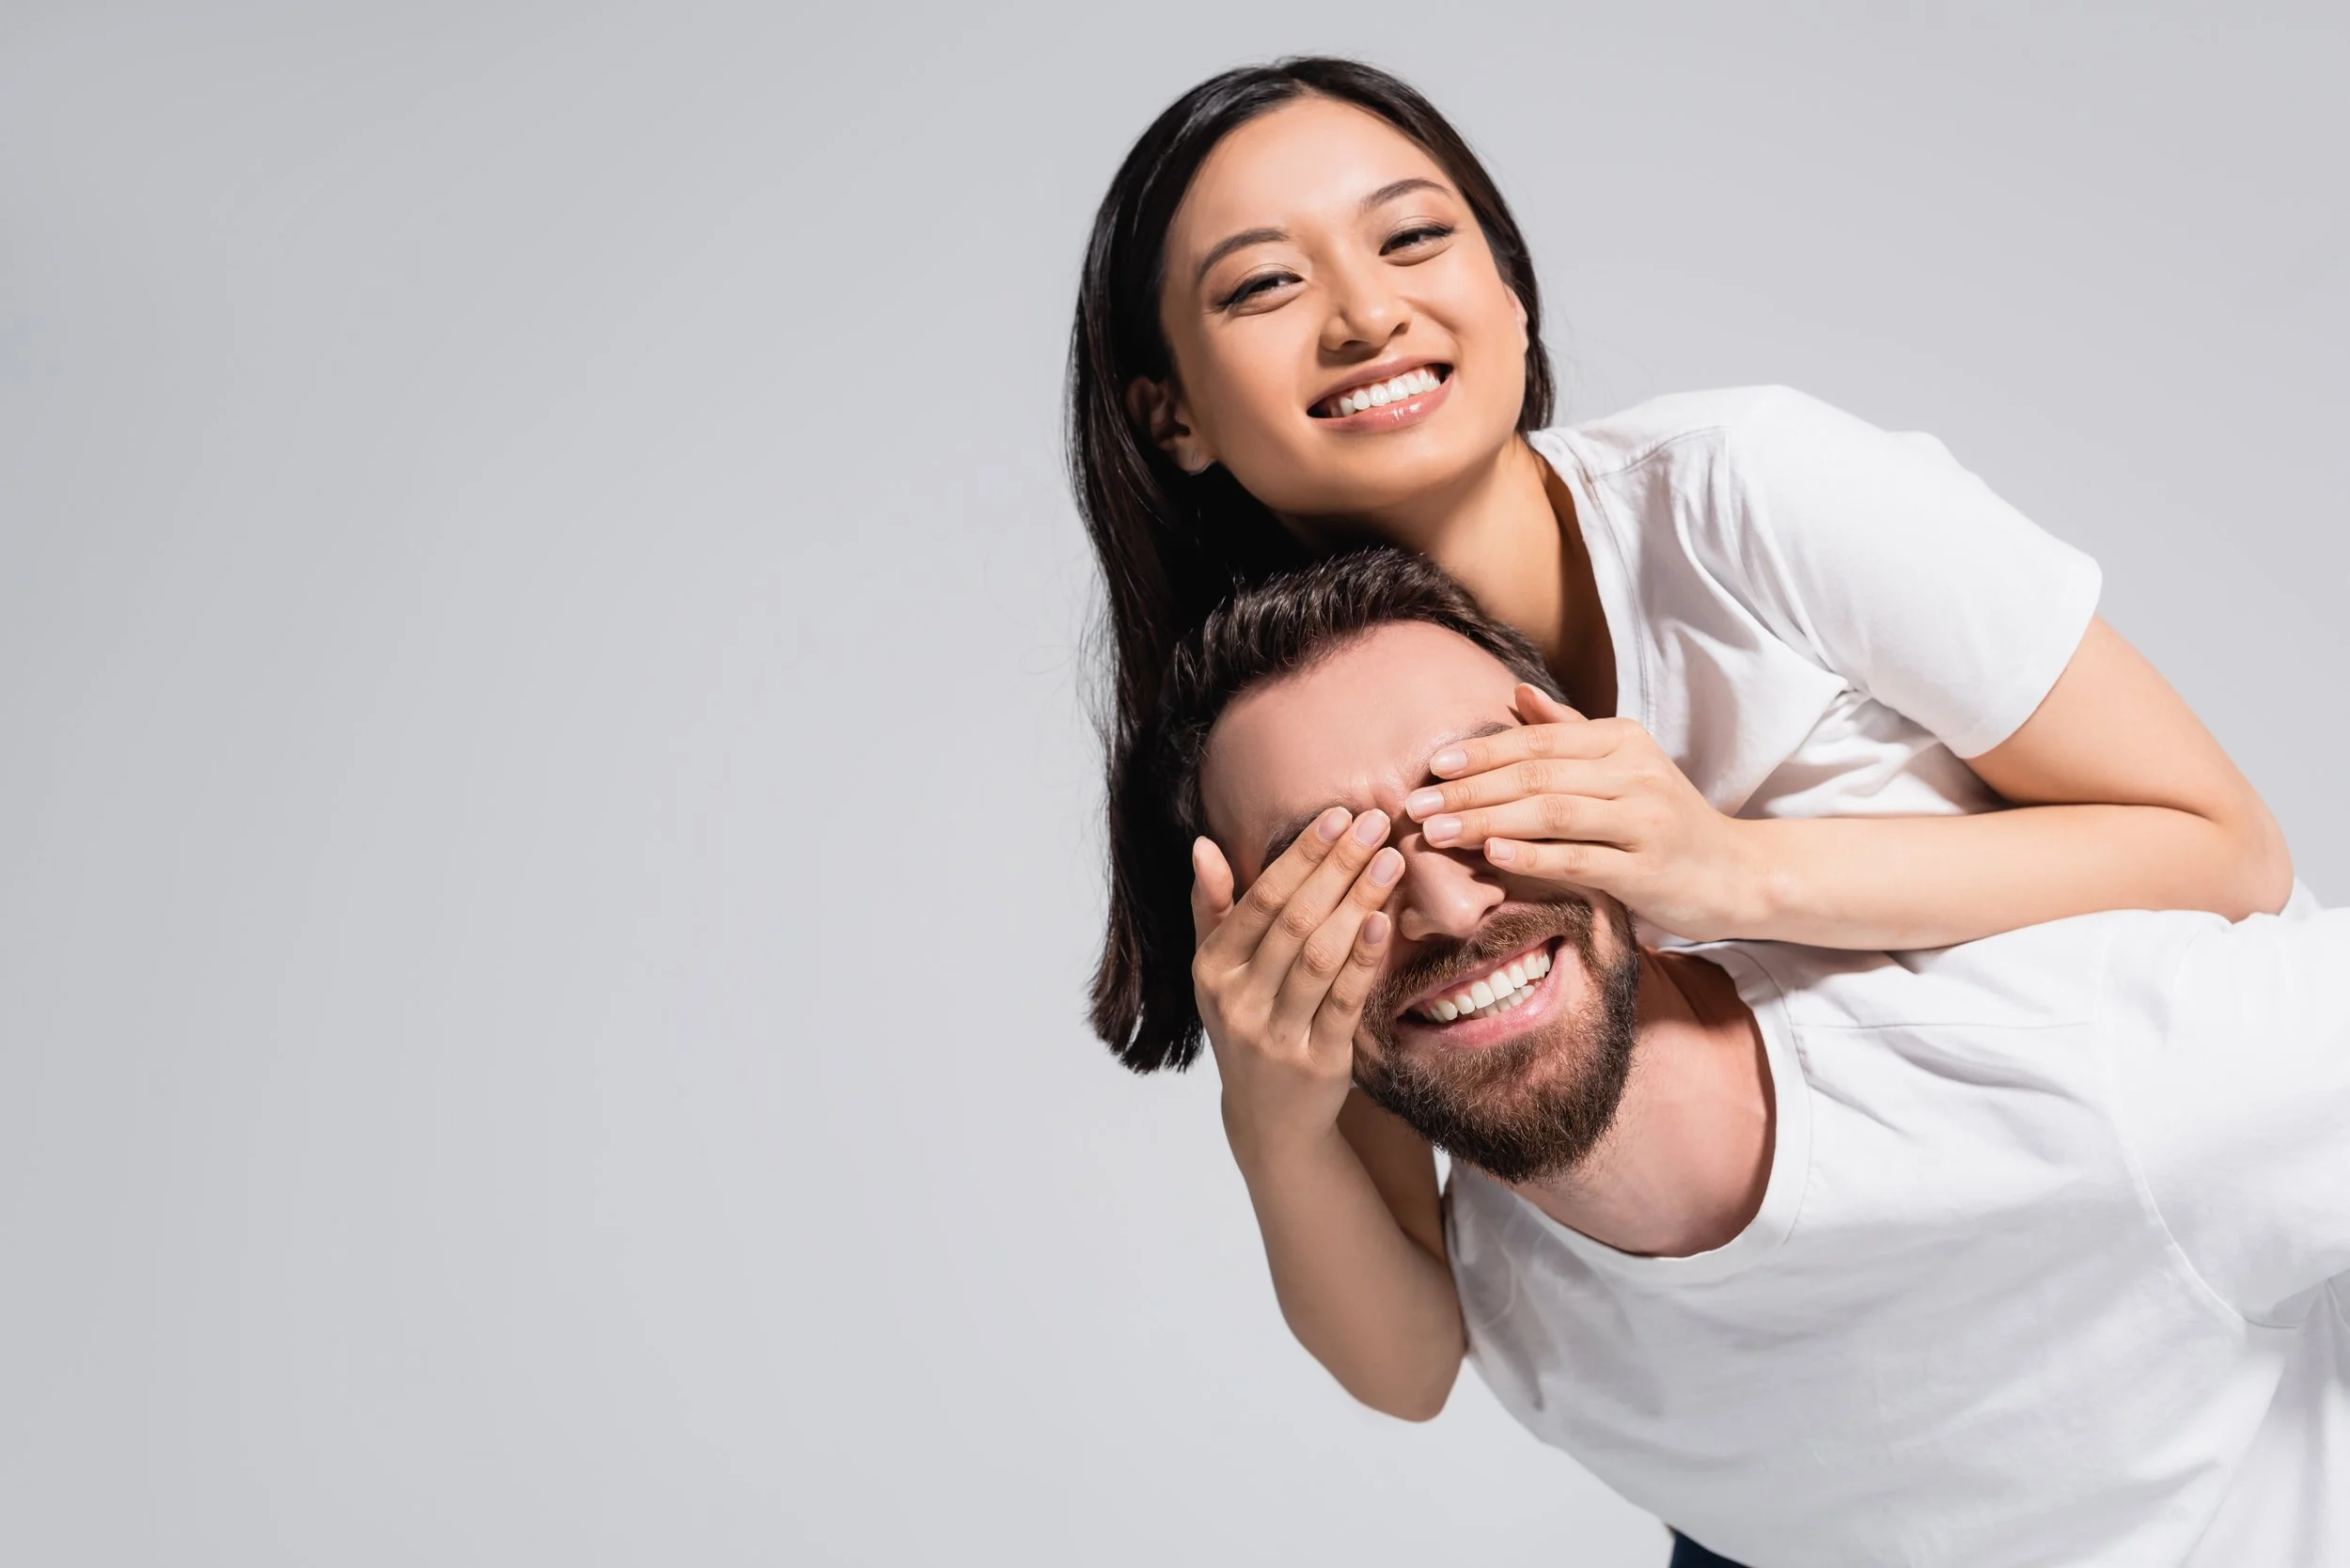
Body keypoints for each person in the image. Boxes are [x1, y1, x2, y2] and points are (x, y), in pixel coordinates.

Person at [1124, 547, 2347, 1567]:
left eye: (1481, 796)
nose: (1446, 906)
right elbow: (1404, 1371)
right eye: (1338, 874)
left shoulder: (2106, 1070)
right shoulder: (1517, 1306)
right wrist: (1273, 1124)